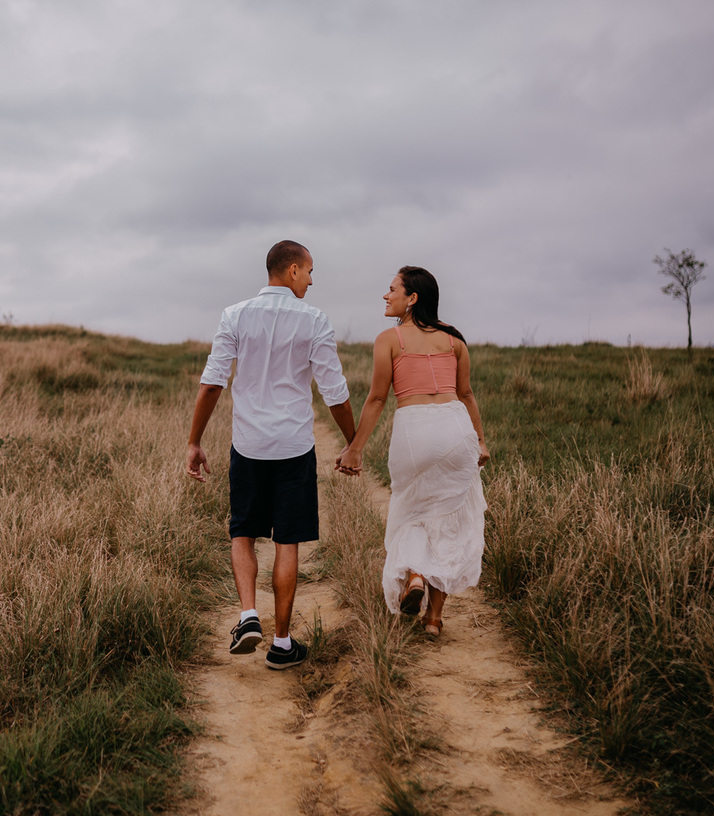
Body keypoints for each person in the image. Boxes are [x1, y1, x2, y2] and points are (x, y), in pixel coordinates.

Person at [186, 240, 357, 669]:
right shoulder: (314, 320)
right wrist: (352, 442)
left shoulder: (235, 315)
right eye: (310, 271)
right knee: (287, 541)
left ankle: (248, 615)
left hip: (249, 445)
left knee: (242, 533)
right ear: (292, 269)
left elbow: (212, 383)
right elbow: (334, 393)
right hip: (294, 447)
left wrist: (194, 441)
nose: (312, 281)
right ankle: (281, 644)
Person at [335, 266, 489, 637]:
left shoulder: (390, 339)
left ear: (412, 298)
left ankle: (416, 574)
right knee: (448, 520)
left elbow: (376, 398)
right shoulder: (454, 339)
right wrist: (481, 441)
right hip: (457, 429)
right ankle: (433, 619)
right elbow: (466, 394)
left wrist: (355, 449)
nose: (385, 295)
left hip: (414, 431)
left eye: (392, 289)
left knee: (413, 513)